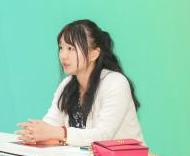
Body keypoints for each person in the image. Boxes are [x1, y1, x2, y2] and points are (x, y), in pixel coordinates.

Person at [16, 19, 143, 147]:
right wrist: (34, 133)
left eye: (71, 48)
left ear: (93, 54)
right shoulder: (67, 85)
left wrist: (58, 133)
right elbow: (50, 125)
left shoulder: (115, 83)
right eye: (61, 47)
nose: (63, 55)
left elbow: (103, 136)